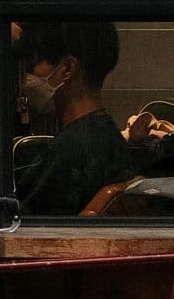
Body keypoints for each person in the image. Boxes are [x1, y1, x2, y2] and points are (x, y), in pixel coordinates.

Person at [12, 17, 132, 214]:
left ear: (67, 69)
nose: (29, 76)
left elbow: (15, 223)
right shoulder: (109, 136)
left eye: (34, 64)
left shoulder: (71, 151)